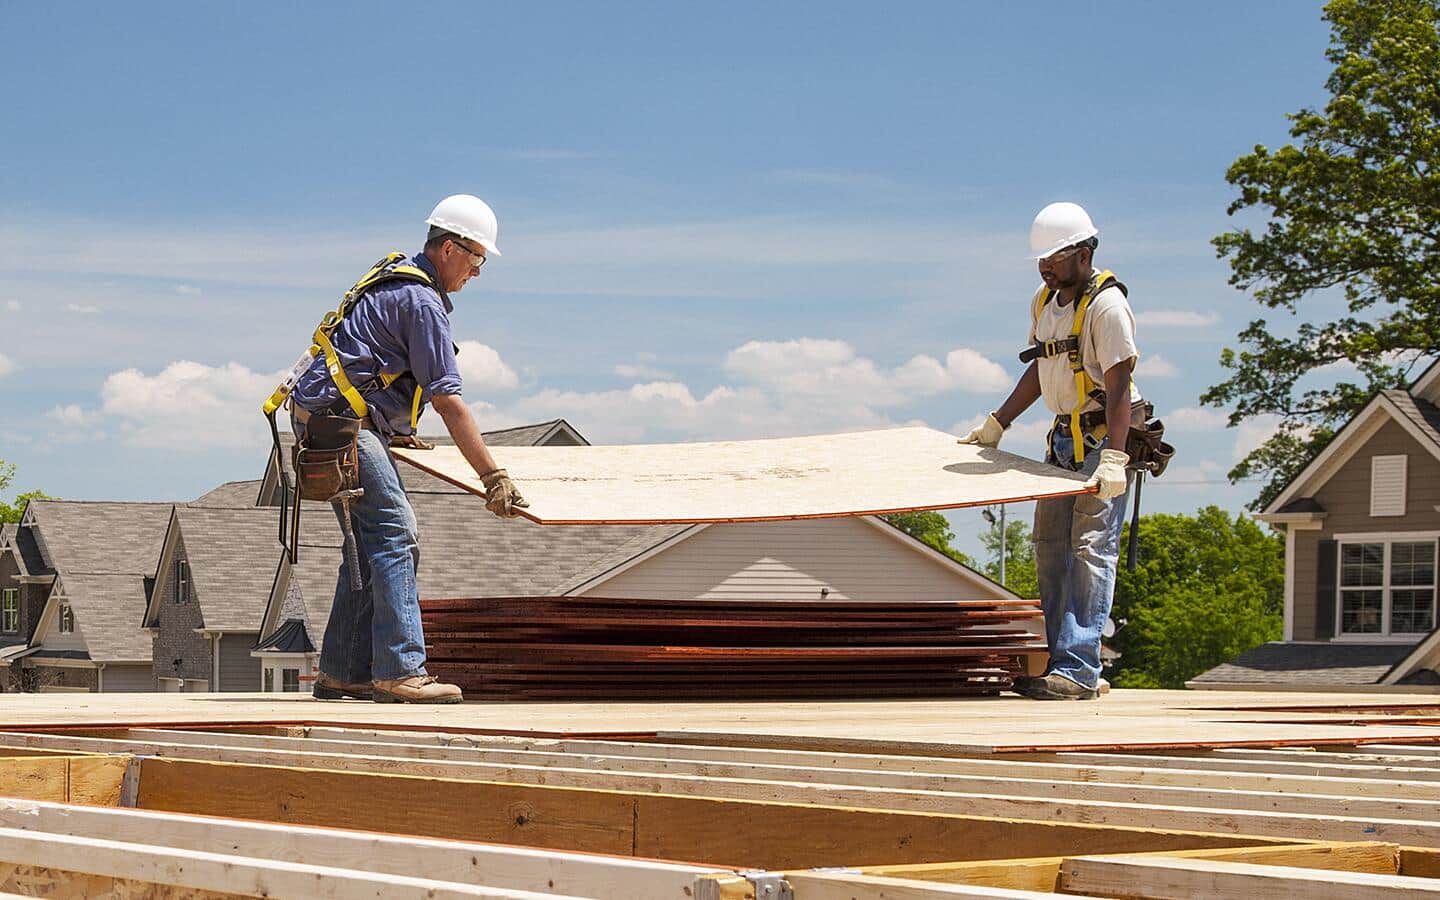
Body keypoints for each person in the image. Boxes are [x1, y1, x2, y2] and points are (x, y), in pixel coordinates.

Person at [288, 194, 528, 704]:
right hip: (340, 423)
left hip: (326, 416)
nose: (478, 271)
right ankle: (401, 671)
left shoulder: (398, 279)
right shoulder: (421, 302)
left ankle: (343, 670)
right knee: (396, 531)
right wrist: (492, 476)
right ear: (447, 249)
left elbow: (371, 363)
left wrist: (392, 426)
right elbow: (448, 401)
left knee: (368, 542)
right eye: (477, 257)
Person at [958, 202, 1138, 700]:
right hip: (1063, 439)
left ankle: (1078, 669)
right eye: (1041, 259)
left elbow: (1119, 387)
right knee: (1050, 547)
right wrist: (999, 422)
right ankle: (1063, 663)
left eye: (1055, 258)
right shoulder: (1044, 303)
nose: (1046, 267)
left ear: (1083, 253)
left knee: (1091, 551)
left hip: (1104, 437)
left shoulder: (1107, 307)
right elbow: (1042, 369)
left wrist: (1116, 457)